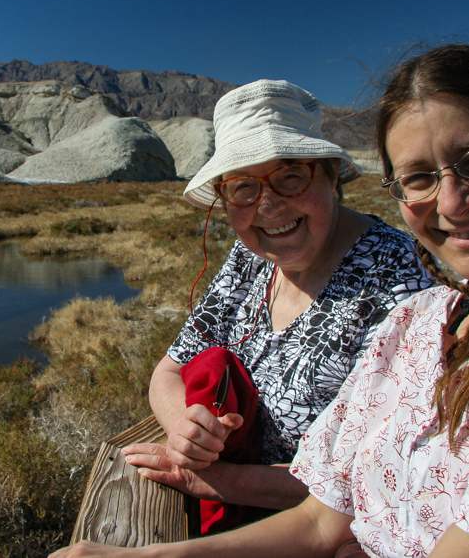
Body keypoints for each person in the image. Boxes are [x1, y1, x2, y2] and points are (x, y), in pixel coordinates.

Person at [50, 45, 469, 557]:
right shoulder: (422, 325)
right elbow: (327, 515)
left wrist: (221, 479)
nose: (451, 201)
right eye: (419, 177)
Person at [120, 79, 433, 531]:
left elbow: (378, 476)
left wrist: (219, 479)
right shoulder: (249, 259)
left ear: (329, 174)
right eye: (243, 187)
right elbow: (169, 370)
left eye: (291, 176)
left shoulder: (398, 279)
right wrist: (184, 432)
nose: (268, 205)